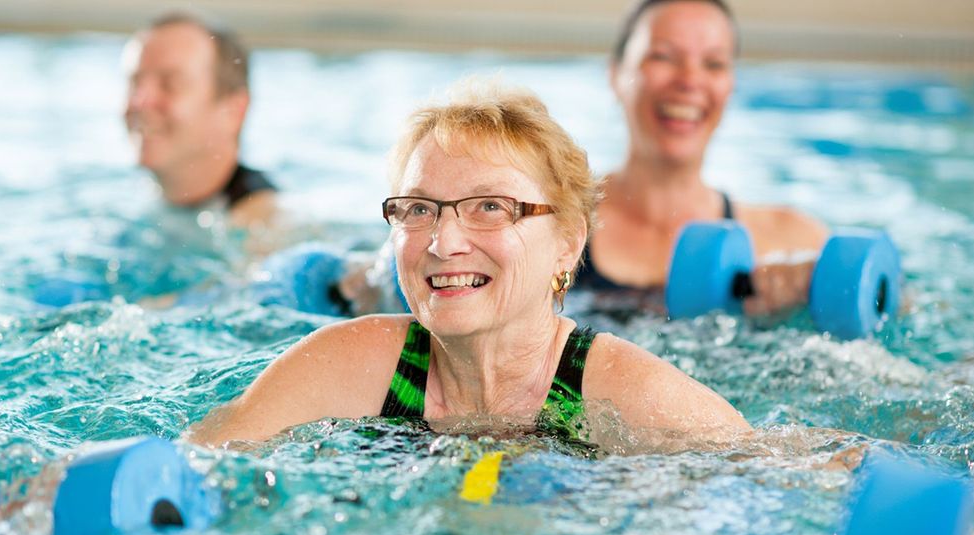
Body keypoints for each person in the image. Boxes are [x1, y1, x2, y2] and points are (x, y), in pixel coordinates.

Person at [188, 81, 752, 447]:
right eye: (418, 209)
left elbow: (777, 484)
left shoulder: (630, 397)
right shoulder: (346, 367)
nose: (443, 241)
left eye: (491, 207)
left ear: (567, 242)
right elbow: (199, 464)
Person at [580, 0, 829, 316]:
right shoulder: (557, 223)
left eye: (713, 64)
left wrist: (808, 292)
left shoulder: (793, 241)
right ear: (616, 75)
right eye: (663, 56)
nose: (689, 80)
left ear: (730, 85)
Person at [123, 13, 277, 228]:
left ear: (233, 111)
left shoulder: (266, 229)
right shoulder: (134, 196)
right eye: (135, 82)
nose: (139, 102)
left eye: (170, 84)